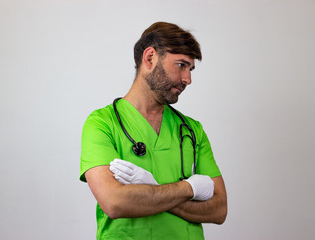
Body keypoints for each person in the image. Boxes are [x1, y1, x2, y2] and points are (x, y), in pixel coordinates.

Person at [80, 22, 227, 239]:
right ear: (150, 58)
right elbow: (115, 203)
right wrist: (190, 188)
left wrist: (151, 191)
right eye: (181, 65)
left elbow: (219, 209)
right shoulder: (102, 123)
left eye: (190, 69)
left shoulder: (192, 130)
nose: (188, 79)